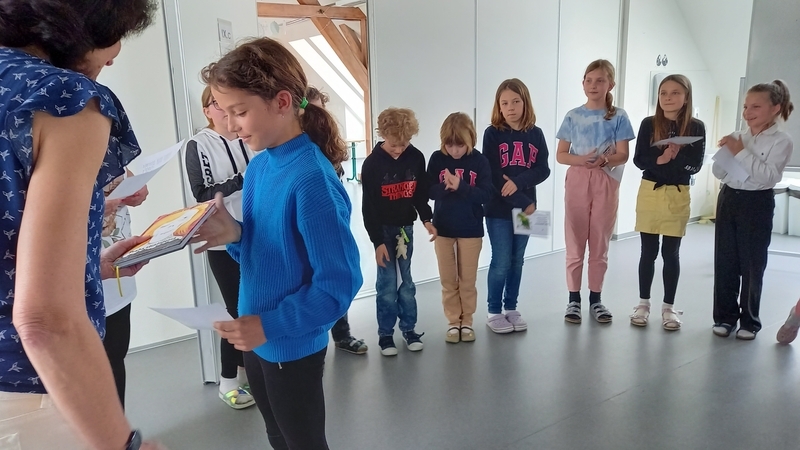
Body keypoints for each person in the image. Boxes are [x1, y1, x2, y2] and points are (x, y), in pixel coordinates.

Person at [0, 1, 165, 449]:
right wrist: (122, 443)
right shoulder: (64, 97)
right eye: (117, 36)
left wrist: (89, 269)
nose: (113, 58)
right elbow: (44, 320)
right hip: (24, 391)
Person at [194, 37, 362, 449]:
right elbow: (268, 250)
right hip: (256, 338)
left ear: (282, 102)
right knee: (276, 436)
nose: (231, 125)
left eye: (239, 112)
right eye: (225, 113)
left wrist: (268, 325)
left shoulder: (312, 180)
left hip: (289, 343)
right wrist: (235, 235)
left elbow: (338, 285)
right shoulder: (260, 167)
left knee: (302, 442)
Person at [185, 86, 256, 409]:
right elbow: (202, 193)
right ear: (206, 110)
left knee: (254, 306)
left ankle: (247, 374)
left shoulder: (246, 135)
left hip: (255, 233)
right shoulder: (199, 144)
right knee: (235, 310)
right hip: (221, 240)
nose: (224, 110)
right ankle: (227, 380)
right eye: (216, 104)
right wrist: (242, 179)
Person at [712, 80, 794, 340]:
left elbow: (768, 177)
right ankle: (724, 317)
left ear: (775, 108)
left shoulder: (781, 141)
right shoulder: (738, 136)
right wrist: (726, 153)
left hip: (756, 202)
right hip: (729, 198)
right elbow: (719, 172)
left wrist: (740, 153)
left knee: (752, 263)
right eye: (746, 106)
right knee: (725, 260)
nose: (748, 112)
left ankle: (749, 321)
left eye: (756, 107)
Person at [555, 59, 635, 325]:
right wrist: (582, 160)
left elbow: (623, 154)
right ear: (583, 84)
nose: (593, 85)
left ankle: (596, 299)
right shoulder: (572, 116)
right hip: (578, 179)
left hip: (605, 180)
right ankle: (573, 299)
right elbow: (561, 155)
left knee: (600, 240)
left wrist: (605, 160)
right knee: (575, 240)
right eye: (589, 80)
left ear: (610, 84)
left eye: (600, 80)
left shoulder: (619, 116)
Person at [630, 74, 705, 330]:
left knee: (670, 253)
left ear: (686, 97)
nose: (668, 98)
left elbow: (695, 166)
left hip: (678, 193)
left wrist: (678, 155)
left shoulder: (696, 127)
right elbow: (639, 160)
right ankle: (643, 304)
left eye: (675, 93)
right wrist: (659, 160)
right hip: (650, 191)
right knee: (648, 252)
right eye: (663, 93)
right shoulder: (649, 123)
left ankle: (668, 307)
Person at [361, 107, 436, 356]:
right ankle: (385, 334)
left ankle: (409, 329)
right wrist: (377, 242)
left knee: (406, 282)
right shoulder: (372, 164)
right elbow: (368, 207)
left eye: (403, 144)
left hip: (405, 229)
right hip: (382, 230)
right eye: (394, 145)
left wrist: (427, 219)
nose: (398, 150)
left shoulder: (416, 157)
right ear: (383, 135)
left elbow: (420, 195)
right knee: (386, 284)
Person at [482, 79, 551, 334]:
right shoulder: (492, 133)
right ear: (498, 106)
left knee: (517, 260)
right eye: (504, 103)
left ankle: (511, 307)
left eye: (515, 101)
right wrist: (523, 200)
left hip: (526, 211)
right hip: (499, 209)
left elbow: (543, 168)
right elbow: (491, 172)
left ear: (525, 102)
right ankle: (494, 311)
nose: (510, 107)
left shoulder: (536, 134)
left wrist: (519, 183)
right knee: (501, 260)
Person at [305, 86, 368, 355]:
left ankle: (342, 335)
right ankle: (311, 341)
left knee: (335, 278)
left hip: (332, 227)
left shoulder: (329, 152)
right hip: (307, 230)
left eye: (320, 110)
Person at [427, 112, 493, 343]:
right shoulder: (437, 159)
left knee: (467, 281)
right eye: (449, 145)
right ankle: (453, 322)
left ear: (470, 139)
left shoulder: (480, 161)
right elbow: (428, 191)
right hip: (443, 229)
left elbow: (486, 194)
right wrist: (446, 187)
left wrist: (461, 186)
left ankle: (467, 322)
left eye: (460, 145)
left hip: (471, 229)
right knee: (448, 280)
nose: (454, 150)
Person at [102, 168, 149, 408]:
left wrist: (137, 191)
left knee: (115, 357)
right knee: (87, 367)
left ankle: (118, 426)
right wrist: (97, 207)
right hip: (79, 278)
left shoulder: (110, 149)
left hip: (118, 272)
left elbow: (130, 180)